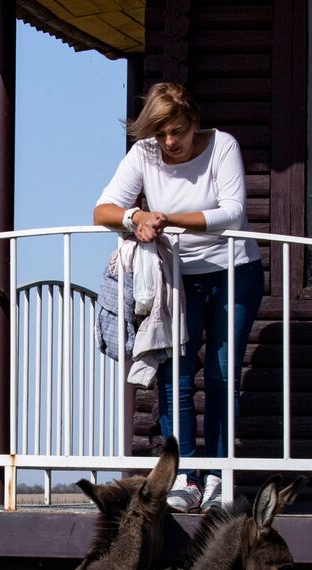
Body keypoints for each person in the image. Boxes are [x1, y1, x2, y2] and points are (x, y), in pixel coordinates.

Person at [94, 82, 264, 513]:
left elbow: (232, 211)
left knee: (224, 376)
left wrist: (168, 219)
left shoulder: (223, 146)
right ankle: (186, 476)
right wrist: (134, 216)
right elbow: (103, 209)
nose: (170, 142)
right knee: (177, 378)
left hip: (233, 273)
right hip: (175, 281)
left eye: (178, 132)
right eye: (161, 133)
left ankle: (219, 478)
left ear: (195, 123)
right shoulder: (145, 154)